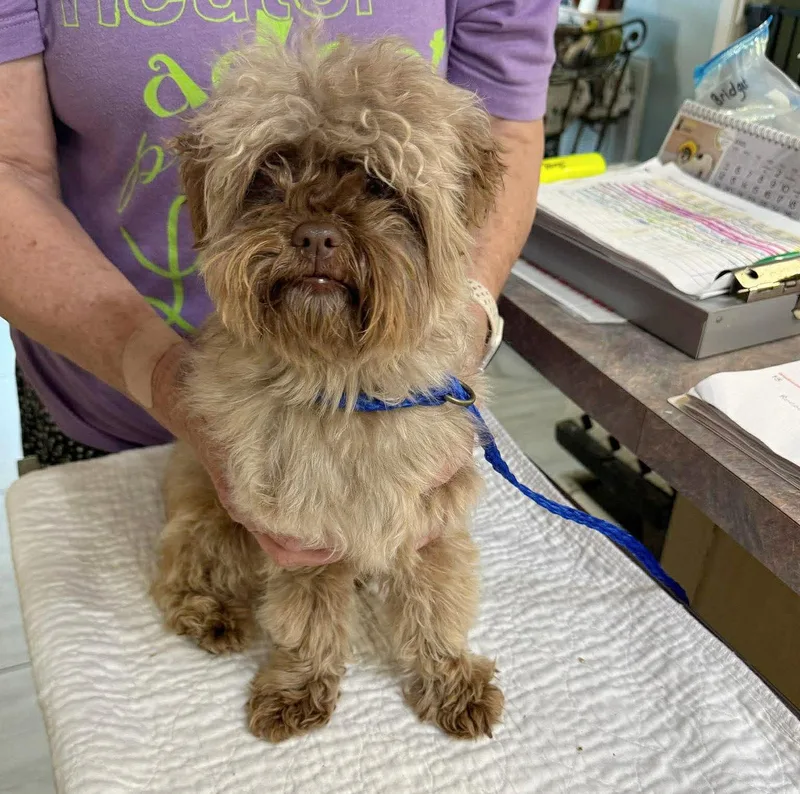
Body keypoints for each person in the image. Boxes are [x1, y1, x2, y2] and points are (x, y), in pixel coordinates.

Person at [0, 0, 558, 566]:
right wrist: (171, 383)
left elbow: (504, 133)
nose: (317, 232)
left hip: (386, 397)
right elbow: (7, 168)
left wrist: (454, 335)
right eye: (270, 181)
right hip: (101, 401)